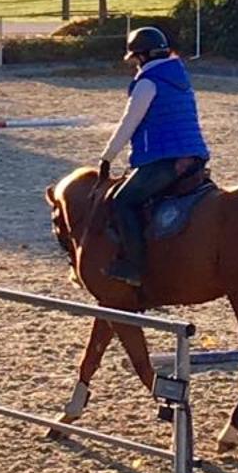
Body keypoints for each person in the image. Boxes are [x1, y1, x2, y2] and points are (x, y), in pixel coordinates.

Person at [96, 26, 209, 286]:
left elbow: (129, 123)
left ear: (143, 57)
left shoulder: (147, 83)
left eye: (136, 59)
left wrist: (107, 157)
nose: (135, 64)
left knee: (123, 201)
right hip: (194, 155)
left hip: (164, 158)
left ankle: (135, 266)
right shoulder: (179, 78)